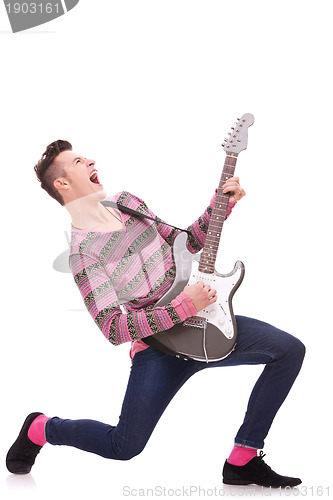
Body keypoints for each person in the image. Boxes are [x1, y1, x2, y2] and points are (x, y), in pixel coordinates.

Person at [6, 140, 305, 487]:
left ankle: (243, 458)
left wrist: (219, 205)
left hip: (204, 326)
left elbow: (186, 243)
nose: (91, 160)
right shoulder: (83, 254)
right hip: (159, 348)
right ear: (63, 183)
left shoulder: (127, 204)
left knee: (289, 350)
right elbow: (114, 328)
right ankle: (41, 428)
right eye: (78, 160)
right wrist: (183, 307)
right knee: (124, 445)